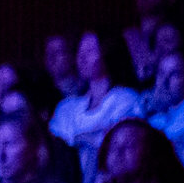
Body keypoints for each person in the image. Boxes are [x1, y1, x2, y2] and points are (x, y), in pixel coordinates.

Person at [48, 31, 145, 160]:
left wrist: (78, 139)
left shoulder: (125, 99)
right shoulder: (66, 108)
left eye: (90, 50)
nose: (82, 56)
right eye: (80, 50)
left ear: (108, 52)